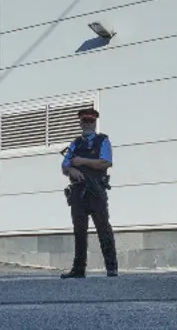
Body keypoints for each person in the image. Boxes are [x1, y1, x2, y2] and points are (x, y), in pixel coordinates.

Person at [59, 108, 118, 278]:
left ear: (95, 122)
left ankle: (112, 268)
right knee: (79, 231)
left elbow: (105, 163)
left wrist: (82, 161)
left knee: (103, 229)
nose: (87, 124)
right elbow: (64, 165)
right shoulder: (75, 143)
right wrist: (71, 170)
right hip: (77, 191)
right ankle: (78, 269)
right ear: (80, 123)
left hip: (96, 190)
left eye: (90, 121)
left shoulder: (102, 140)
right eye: (84, 121)